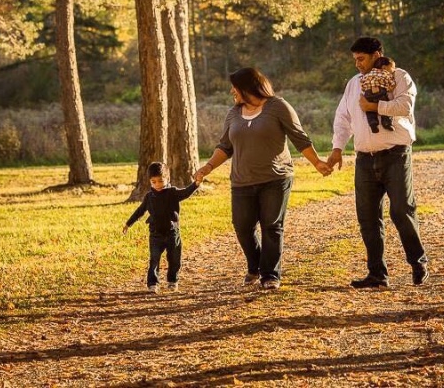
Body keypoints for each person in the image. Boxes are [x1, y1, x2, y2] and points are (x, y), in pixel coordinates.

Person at [194, 67, 331, 291]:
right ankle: (255, 265)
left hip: (275, 178)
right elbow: (225, 147)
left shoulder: (278, 107)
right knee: (242, 226)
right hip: (242, 180)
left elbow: (299, 138)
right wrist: (207, 167)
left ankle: (270, 275)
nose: (232, 92)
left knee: (272, 226)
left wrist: (317, 162)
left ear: (248, 87)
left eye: (235, 88)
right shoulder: (233, 114)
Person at [327, 37, 429, 289]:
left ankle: (418, 262)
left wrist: (375, 105)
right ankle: (377, 275)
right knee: (368, 217)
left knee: (401, 211)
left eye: (361, 59)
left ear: (377, 55)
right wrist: (337, 148)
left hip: (395, 155)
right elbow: (343, 118)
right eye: (355, 59)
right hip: (364, 159)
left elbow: (405, 106)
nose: (357, 64)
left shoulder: (399, 76)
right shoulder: (354, 84)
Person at [123, 162, 200, 293]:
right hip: (156, 234)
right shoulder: (149, 197)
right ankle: (153, 283)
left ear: (167, 179)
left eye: (160, 181)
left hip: (172, 233)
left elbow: (186, 193)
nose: (157, 185)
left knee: (174, 259)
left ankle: (172, 281)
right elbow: (140, 211)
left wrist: (196, 184)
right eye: (153, 182)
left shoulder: (172, 192)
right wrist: (128, 223)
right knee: (154, 259)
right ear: (149, 181)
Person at [360, 56, 396, 133]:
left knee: (369, 110)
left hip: (368, 93)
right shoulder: (385, 73)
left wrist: (366, 89)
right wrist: (390, 88)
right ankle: (386, 123)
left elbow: (362, 83)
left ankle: (373, 123)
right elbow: (391, 83)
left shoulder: (368, 74)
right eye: (393, 68)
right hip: (380, 92)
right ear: (384, 67)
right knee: (385, 106)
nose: (394, 70)